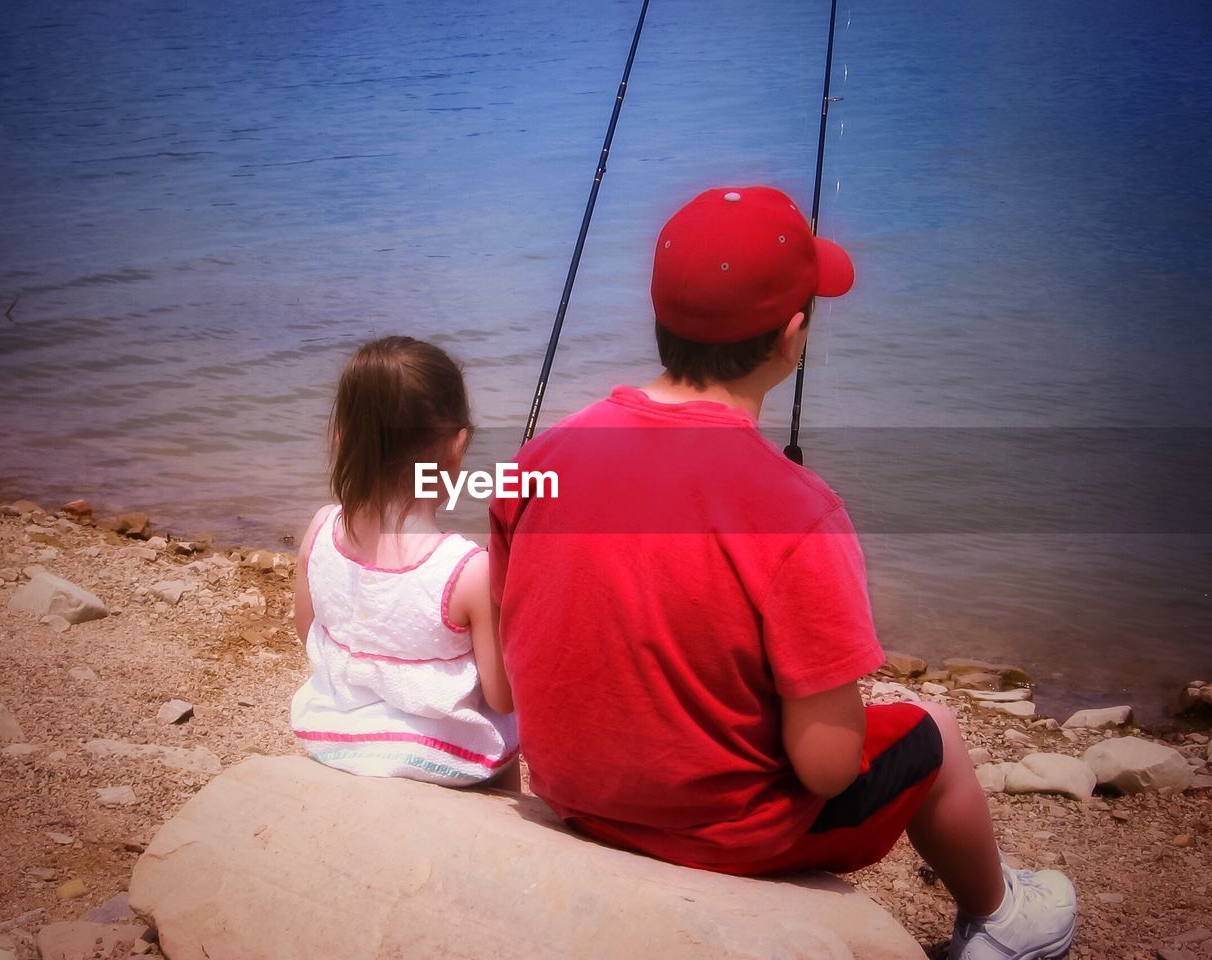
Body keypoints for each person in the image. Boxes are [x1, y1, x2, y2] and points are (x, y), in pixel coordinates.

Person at [489, 187, 1076, 958]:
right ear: (791, 337)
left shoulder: (537, 463)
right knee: (935, 730)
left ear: (662, 318)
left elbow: (503, 681)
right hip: (729, 836)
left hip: (569, 795)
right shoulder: (801, 514)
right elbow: (827, 770)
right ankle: (999, 920)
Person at [290, 336, 518, 788]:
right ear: (458, 447)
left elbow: (307, 631)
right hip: (443, 758)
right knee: (505, 734)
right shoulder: (466, 570)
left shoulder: (320, 529)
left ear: (342, 439)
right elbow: (503, 696)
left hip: (331, 733)